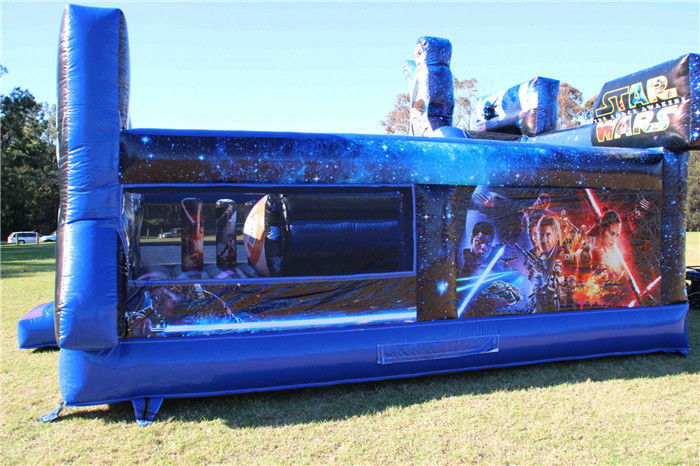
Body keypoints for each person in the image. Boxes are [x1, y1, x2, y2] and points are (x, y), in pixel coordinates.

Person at [589, 210, 624, 280]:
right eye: (612, 234)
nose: (614, 239)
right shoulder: (588, 245)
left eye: (617, 235)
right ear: (602, 229)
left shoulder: (609, 253)